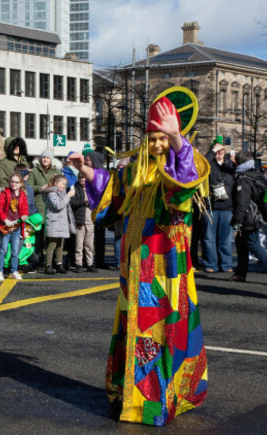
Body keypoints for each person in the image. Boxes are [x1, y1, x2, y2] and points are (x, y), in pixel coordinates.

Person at [68, 97, 210, 426]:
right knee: (133, 326)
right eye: (154, 137)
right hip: (133, 267)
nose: (159, 143)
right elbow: (111, 193)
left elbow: (185, 183)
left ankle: (153, 403)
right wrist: (84, 168)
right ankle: (128, 395)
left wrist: (177, 138)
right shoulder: (135, 171)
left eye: (164, 137)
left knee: (159, 330)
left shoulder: (180, 163)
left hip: (165, 269)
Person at [229, 150, 267, 284]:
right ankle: (240, 273)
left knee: (253, 243)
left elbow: (242, 202)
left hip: (248, 218)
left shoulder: (243, 179)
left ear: (238, 162)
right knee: (241, 243)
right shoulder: (255, 173)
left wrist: (236, 220)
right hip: (256, 216)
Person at [202, 137, 235, 273]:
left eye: (222, 149)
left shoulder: (230, 165)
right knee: (209, 237)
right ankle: (210, 264)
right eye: (217, 150)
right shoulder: (209, 164)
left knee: (226, 239)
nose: (220, 152)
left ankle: (226, 264)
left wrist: (233, 161)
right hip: (211, 205)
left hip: (227, 206)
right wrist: (212, 151)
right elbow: (202, 163)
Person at [0, 173, 29, 281]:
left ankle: (13, 270)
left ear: (20, 183)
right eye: (12, 181)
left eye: (16, 182)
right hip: (6, 226)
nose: (14, 184)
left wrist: (24, 215)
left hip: (17, 226)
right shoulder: (5, 193)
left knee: (15, 251)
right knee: (3, 249)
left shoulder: (22, 194)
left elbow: (25, 208)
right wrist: (5, 220)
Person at [43, 174, 76, 274]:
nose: (63, 186)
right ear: (55, 183)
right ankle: (48, 265)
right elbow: (58, 205)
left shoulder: (62, 193)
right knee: (52, 245)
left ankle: (59, 264)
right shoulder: (52, 193)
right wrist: (68, 196)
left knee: (60, 245)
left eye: (65, 184)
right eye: (62, 184)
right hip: (54, 223)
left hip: (61, 223)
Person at [72, 176, 96, 272]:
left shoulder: (92, 189)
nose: (83, 182)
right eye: (81, 181)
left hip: (90, 220)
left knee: (89, 244)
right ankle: (78, 263)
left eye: (85, 181)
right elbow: (72, 203)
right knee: (79, 244)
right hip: (79, 220)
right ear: (78, 180)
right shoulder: (75, 188)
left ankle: (90, 263)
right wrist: (84, 201)